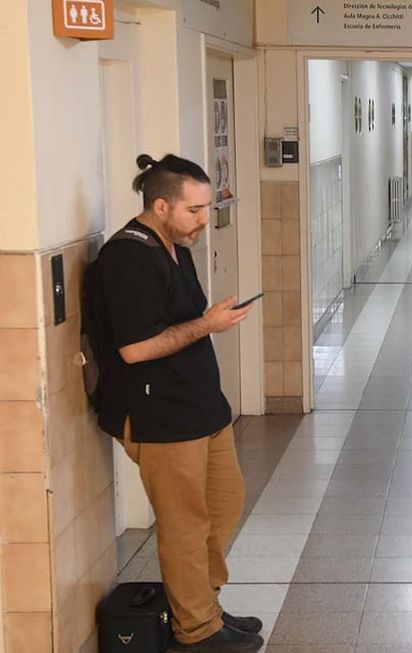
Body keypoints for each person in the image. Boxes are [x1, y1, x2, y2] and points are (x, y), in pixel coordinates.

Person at [95, 154, 263, 652]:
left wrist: (210, 321)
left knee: (223, 505)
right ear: (161, 204)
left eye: (207, 208)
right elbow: (135, 348)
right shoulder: (127, 258)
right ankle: (196, 630)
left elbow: (182, 319)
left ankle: (203, 605)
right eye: (194, 210)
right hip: (159, 414)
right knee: (185, 522)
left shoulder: (174, 245)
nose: (203, 220)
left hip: (200, 408)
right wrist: (208, 326)